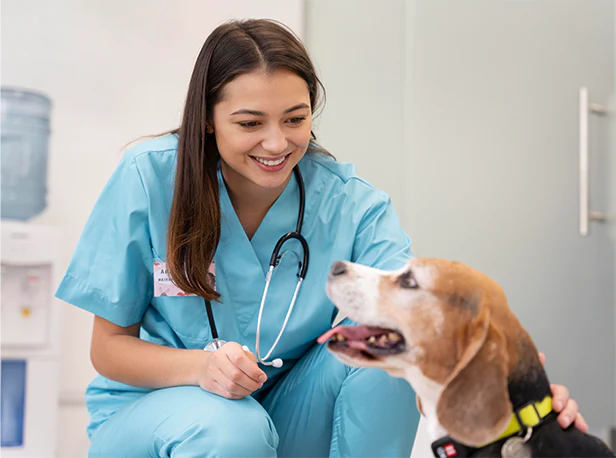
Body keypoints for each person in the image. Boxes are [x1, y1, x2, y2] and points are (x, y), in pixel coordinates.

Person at [56, 18, 586, 458]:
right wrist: (201, 368)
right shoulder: (149, 178)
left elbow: (424, 332)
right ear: (208, 120)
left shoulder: (350, 202)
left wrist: (523, 407)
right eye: (249, 122)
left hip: (286, 409)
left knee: (385, 362)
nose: (276, 142)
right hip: (160, 410)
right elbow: (109, 349)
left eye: (295, 118)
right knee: (230, 430)